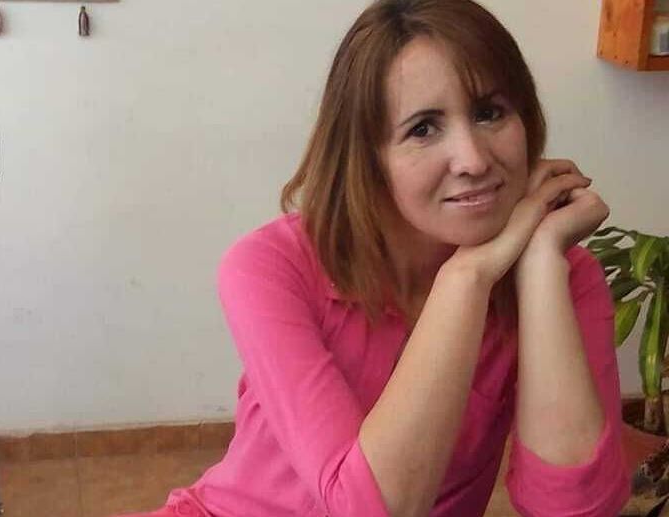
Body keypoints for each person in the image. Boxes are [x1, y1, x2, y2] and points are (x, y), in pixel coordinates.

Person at [119, 0, 631, 515]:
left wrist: (539, 263)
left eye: (489, 113)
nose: (473, 160)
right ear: (367, 155)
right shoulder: (271, 266)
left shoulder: (560, 278)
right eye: (423, 129)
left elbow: (575, 510)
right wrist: (468, 275)